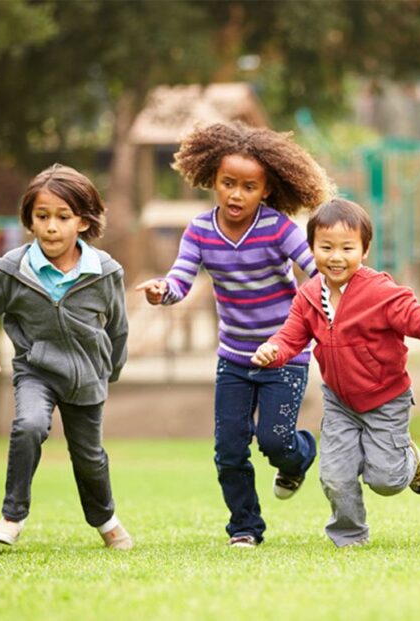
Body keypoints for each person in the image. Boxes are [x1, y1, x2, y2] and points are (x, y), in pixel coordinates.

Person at [251, 198, 420, 548]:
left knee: (387, 480)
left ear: (364, 250)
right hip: (339, 402)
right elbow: (290, 338)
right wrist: (272, 350)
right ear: (312, 249)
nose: (336, 257)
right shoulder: (307, 297)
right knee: (334, 475)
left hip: (386, 399)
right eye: (326, 247)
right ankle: (349, 536)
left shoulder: (381, 293)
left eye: (347, 248)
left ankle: (409, 460)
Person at [136, 122, 333, 548]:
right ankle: (245, 527)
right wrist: (161, 292)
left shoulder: (278, 228)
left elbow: (316, 270)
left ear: (265, 190)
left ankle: (301, 454)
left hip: (284, 355)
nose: (236, 194)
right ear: (213, 180)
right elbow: (181, 280)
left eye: (248, 186)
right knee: (228, 450)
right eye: (228, 183)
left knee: (275, 442)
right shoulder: (200, 231)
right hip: (235, 360)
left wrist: (340, 299)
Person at [0, 164, 131, 549]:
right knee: (28, 426)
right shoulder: (12, 271)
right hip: (36, 370)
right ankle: (12, 516)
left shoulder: (105, 272)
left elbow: (117, 328)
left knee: (89, 458)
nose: (51, 226)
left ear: (82, 222)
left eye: (63, 217)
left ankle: (105, 520)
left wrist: (109, 371)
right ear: (30, 221)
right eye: (42, 216)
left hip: (87, 376)